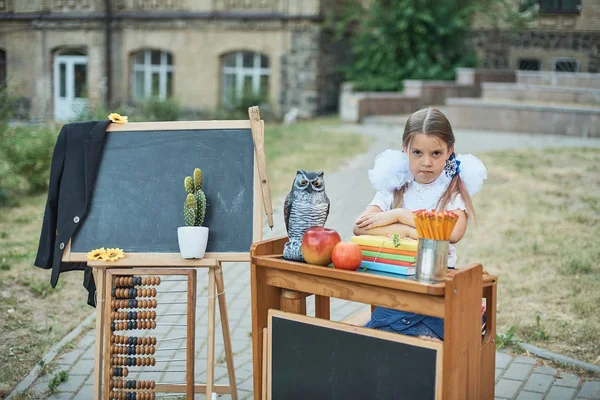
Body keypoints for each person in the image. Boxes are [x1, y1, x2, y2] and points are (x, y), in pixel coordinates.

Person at [353, 107, 487, 340]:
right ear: (404, 148)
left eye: (436, 153)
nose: (426, 162)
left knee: (426, 341)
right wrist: (415, 230)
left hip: (438, 284)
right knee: (383, 338)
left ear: (450, 151)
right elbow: (361, 227)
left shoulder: (452, 189)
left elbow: (453, 232)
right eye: (417, 153)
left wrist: (401, 216)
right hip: (397, 284)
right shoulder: (395, 186)